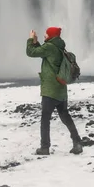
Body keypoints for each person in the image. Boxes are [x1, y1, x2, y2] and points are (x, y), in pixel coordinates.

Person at [26, 26, 83, 155]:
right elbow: (43, 53)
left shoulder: (50, 47)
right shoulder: (59, 47)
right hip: (61, 91)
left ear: (51, 36)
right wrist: (37, 42)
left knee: (45, 119)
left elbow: (31, 52)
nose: (44, 36)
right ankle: (77, 142)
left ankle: (44, 147)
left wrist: (30, 40)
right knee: (65, 117)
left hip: (50, 91)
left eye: (46, 34)